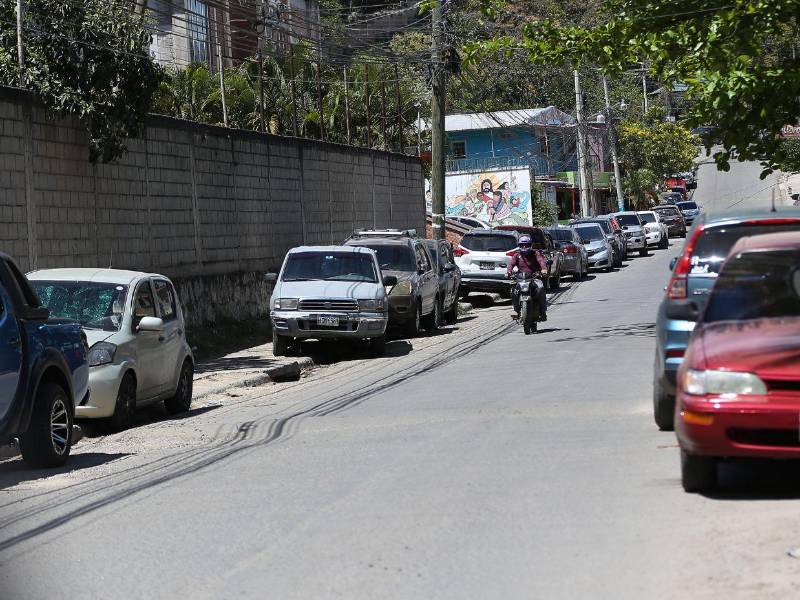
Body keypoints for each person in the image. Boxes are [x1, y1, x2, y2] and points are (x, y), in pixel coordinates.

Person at [507, 235, 548, 321]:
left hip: (534, 277)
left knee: (540, 288)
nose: (524, 247)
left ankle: (543, 311)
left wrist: (544, 269)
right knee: (513, 291)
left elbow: (541, 261)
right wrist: (509, 272)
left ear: (531, 245)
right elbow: (511, 264)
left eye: (527, 245)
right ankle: (517, 310)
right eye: (522, 245)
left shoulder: (535, 253)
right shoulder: (517, 255)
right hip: (521, 278)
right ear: (519, 245)